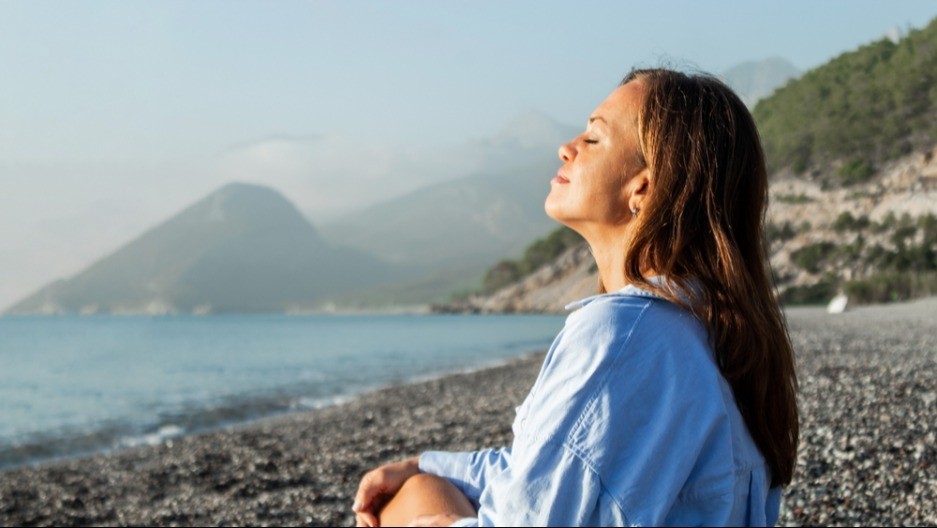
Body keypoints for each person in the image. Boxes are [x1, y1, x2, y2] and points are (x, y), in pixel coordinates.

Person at [352, 68, 799, 527]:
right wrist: (426, 462)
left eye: (593, 139)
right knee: (422, 482)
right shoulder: (706, 330)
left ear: (642, 186)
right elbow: (552, 473)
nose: (566, 148)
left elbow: (537, 508)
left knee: (413, 499)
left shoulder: (624, 336)